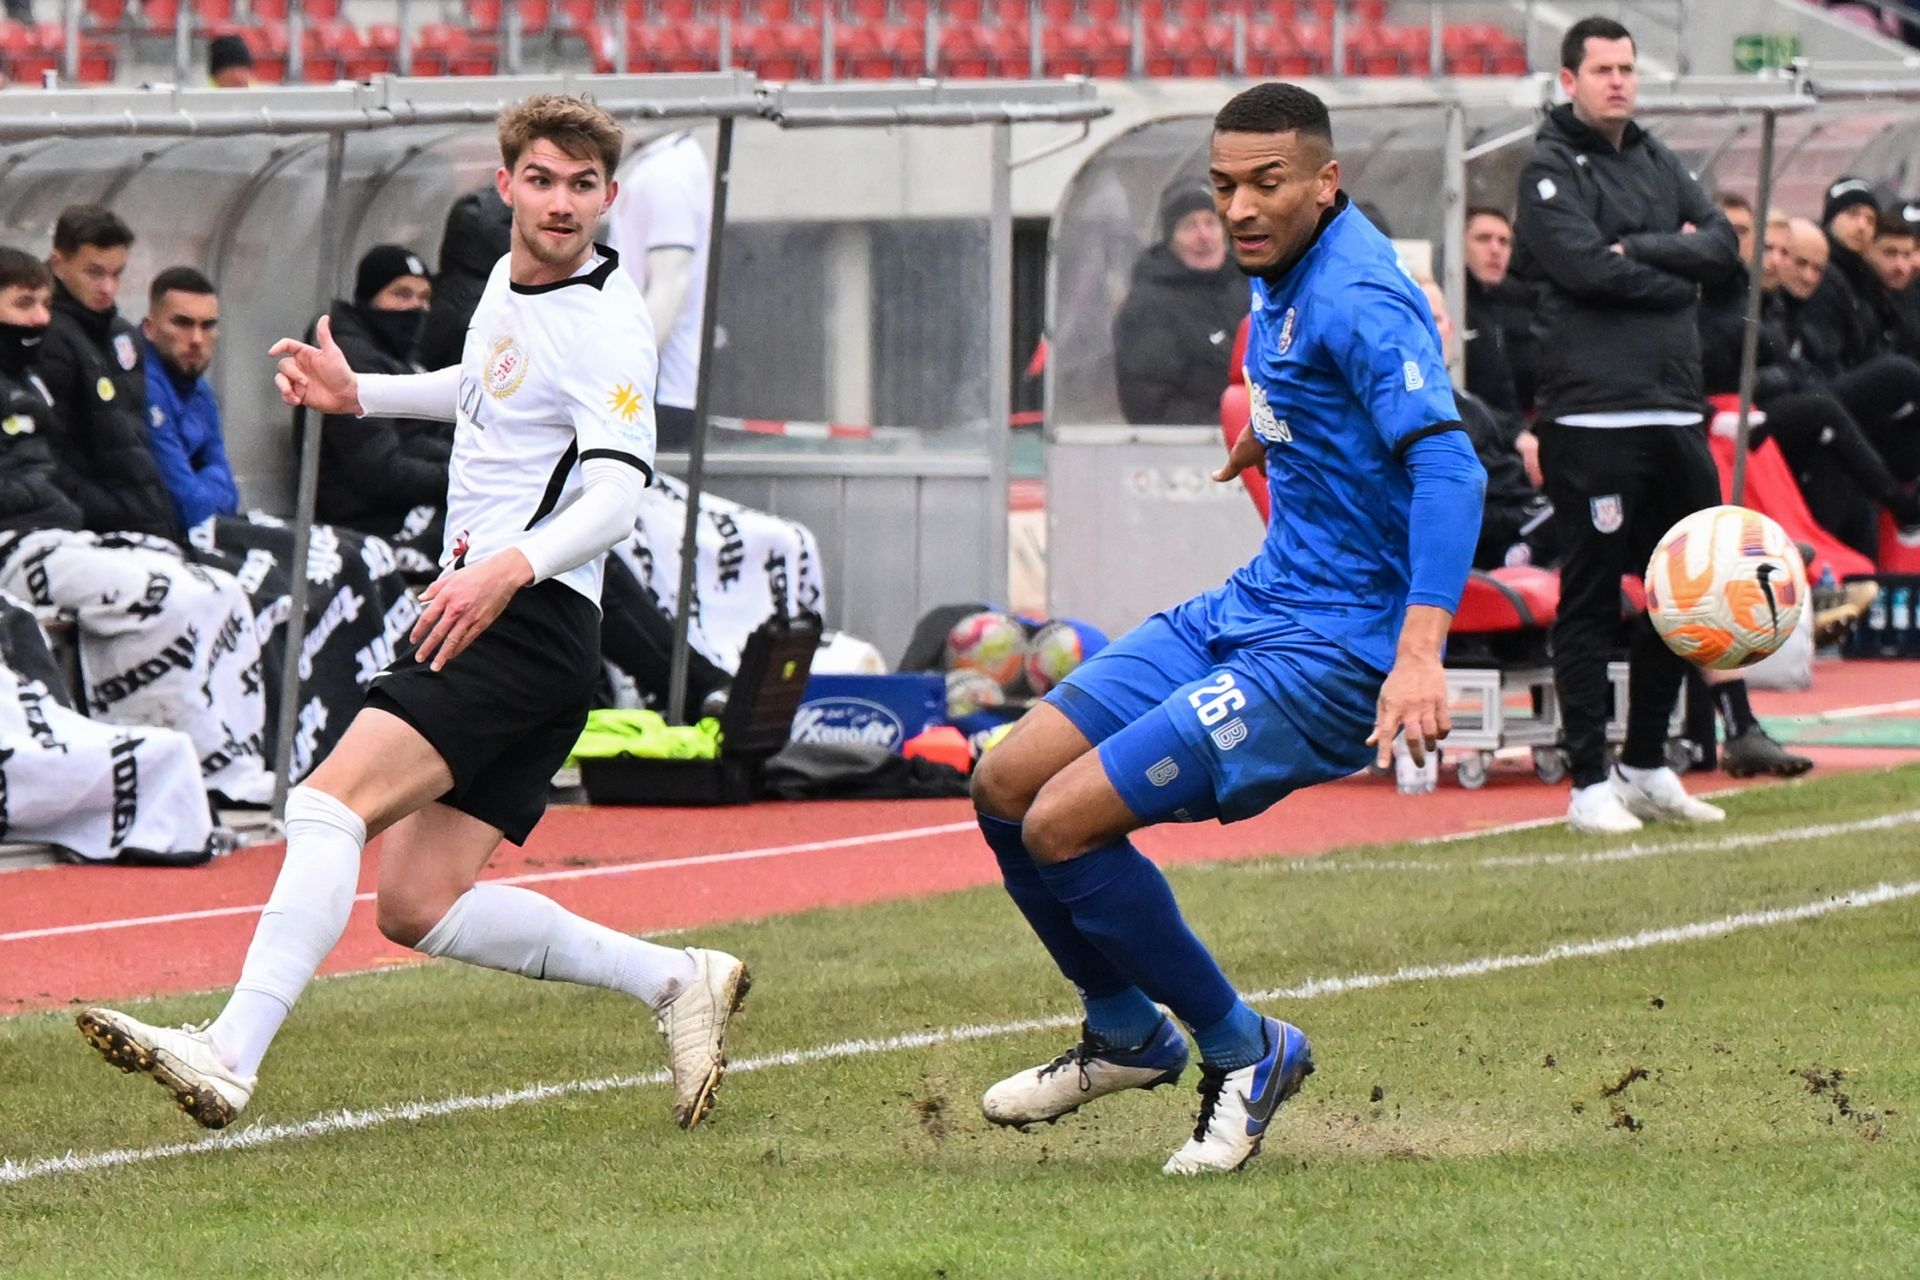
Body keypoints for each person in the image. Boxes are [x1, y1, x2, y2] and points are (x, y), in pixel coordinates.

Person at [77, 95, 750, 1134]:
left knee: (325, 805)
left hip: (517, 618)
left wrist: (505, 571)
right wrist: (366, 396)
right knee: (418, 903)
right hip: (515, 623)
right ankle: (676, 978)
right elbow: (488, 387)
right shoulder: (507, 286)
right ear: (506, 183)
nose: (561, 203)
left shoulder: (608, 324)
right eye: (543, 180)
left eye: (582, 185)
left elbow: (619, 495)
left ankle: (228, 1054)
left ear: (610, 197)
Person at [970, 83, 1486, 1176]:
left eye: (1268, 183)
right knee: (1004, 782)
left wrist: (1419, 653)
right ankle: (1124, 1031)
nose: (1241, 206)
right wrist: (1279, 433)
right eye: (1224, 185)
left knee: (1064, 824)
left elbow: (1450, 465)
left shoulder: (1358, 292)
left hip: (1333, 650)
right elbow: (1318, 394)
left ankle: (1247, 1050)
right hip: (1253, 604)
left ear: (1326, 182)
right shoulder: (1278, 272)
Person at [1512, 16, 1762, 833]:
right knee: (1590, 595)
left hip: (1674, 404)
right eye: (1603, 69)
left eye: (1627, 68)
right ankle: (1588, 780)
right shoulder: (1549, 167)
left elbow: (1722, 245)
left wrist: (1638, 254)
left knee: (1687, 592)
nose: (1619, 81)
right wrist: (1675, 273)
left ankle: (1647, 761)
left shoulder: (1657, 158)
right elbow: (1584, 267)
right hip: (1593, 414)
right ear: (1569, 80)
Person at [0, 246, 278, 806]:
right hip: (14, 550)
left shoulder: (30, 384)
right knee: (163, 597)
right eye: (24, 304)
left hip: (61, 538)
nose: (40, 320)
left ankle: (232, 765)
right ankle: (164, 769)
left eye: (45, 305)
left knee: (222, 590)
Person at [305, 244, 452, 558]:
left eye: (424, 297)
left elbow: (419, 439)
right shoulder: (350, 358)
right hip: (365, 520)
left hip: (399, 507)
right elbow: (381, 471)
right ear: (369, 298)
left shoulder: (397, 353)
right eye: (401, 294)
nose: (416, 308)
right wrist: (462, 475)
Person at [1111, 181, 1251, 424]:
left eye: (1211, 223)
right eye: (1189, 226)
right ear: (1170, 240)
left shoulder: (1250, 286)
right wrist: (1227, 424)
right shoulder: (1149, 307)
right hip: (1195, 441)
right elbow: (1150, 405)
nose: (1203, 236)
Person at [606, 129, 711, 451]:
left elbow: (670, 284)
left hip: (654, 390)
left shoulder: (668, 172)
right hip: (645, 385)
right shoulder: (660, 163)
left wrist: (618, 371)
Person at [141, 266, 239, 531]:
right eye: (182, 323)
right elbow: (184, 506)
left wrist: (204, 489)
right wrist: (209, 488)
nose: (197, 339)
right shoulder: (140, 384)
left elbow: (231, 494)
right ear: (149, 328)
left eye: (208, 326)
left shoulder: (202, 393)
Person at [1461, 206, 1537, 414]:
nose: (1495, 250)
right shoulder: (1450, 303)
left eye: (1504, 242)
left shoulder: (1518, 305)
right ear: (1459, 245)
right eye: (1483, 239)